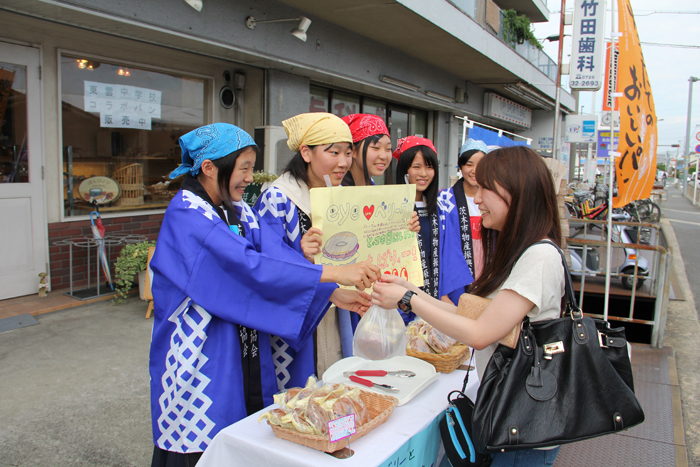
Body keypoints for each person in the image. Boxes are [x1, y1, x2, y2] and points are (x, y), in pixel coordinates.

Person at [149, 123, 379, 466]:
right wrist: (333, 273)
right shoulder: (187, 213)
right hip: (200, 351)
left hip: (240, 346)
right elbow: (247, 267)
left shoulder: (238, 209)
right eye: (243, 169)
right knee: (202, 439)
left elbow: (274, 256)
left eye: (250, 168)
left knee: (247, 434)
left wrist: (331, 293)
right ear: (209, 168)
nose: (249, 178)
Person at [373, 145, 564, 466]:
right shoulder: (520, 251)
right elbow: (474, 315)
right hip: (506, 410)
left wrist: (409, 300)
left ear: (515, 193)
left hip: (525, 423)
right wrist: (409, 289)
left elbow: (479, 333)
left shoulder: (539, 257)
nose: (476, 199)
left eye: (485, 189)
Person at [254, 112, 360, 386]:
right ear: (306, 152)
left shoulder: (339, 194)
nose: (343, 162)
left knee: (338, 374)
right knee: (304, 388)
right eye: (333, 152)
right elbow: (268, 262)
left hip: (338, 307)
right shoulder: (277, 198)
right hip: (300, 314)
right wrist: (300, 254)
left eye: (348, 153)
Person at [393, 136, 473, 322]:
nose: (424, 173)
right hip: (400, 297)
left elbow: (450, 255)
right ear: (404, 170)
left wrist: (446, 295)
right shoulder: (390, 208)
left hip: (434, 297)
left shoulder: (441, 209)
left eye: (429, 167)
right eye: (416, 167)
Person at [439, 138, 489, 280]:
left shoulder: (495, 199)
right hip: (456, 272)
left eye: (481, 165)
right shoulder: (445, 199)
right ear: (460, 167)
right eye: (469, 164)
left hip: (488, 270)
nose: (474, 171)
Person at [340, 113, 393, 187]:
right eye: (376, 148)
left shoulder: (370, 183)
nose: (384, 156)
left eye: (388, 149)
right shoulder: (337, 188)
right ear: (353, 151)